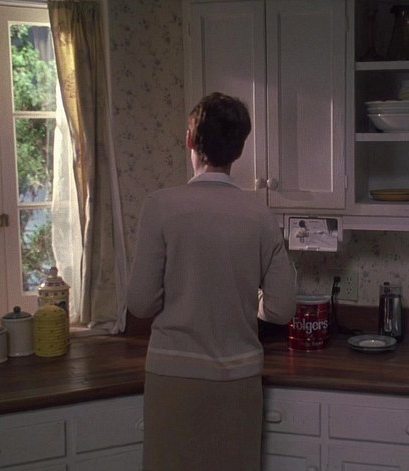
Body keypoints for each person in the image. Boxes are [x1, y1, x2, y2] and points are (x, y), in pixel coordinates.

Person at [127, 92, 297, 471]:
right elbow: (281, 308)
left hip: (173, 378)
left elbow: (140, 302)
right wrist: (245, 300)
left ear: (190, 139)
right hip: (238, 381)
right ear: (239, 149)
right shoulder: (260, 214)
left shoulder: (160, 206)